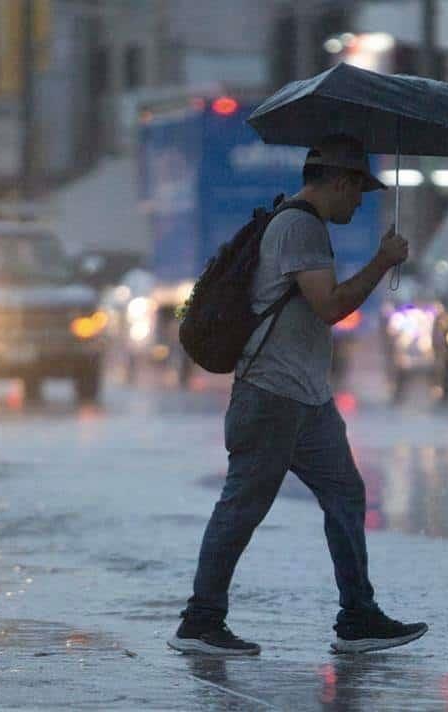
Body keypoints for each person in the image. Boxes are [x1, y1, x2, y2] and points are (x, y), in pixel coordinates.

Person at [168, 135, 428, 656]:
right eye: (358, 191)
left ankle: (357, 617)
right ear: (339, 182)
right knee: (242, 506)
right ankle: (201, 621)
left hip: (306, 399)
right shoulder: (299, 227)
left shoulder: (302, 226)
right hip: (271, 395)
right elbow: (330, 305)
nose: (360, 202)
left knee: (345, 495)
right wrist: (381, 262)